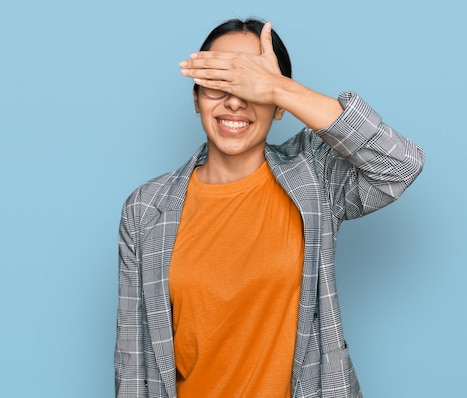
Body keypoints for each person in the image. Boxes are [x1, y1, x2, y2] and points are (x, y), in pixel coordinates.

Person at [114, 17, 425, 398]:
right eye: (219, 83)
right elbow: (134, 361)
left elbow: (400, 164)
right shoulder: (145, 209)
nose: (234, 100)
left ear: (278, 106)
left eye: (250, 83)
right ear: (195, 98)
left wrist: (279, 87)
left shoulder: (314, 174)